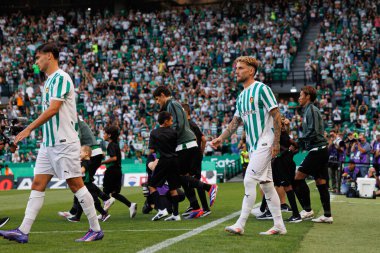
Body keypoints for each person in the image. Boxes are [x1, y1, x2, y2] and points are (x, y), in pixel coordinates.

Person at [0, 42, 103, 243]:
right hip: (49, 144)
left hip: (64, 142)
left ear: (50, 56)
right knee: (38, 183)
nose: (36, 62)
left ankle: (95, 228)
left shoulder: (61, 78)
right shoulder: (48, 82)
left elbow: (53, 109)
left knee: (76, 184)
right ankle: (23, 231)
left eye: (38, 57)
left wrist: (29, 128)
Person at [212, 56, 287, 236]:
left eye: (240, 68)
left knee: (248, 180)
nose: (236, 71)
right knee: (267, 186)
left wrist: (276, 142)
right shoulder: (241, 97)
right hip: (253, 146)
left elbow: (277, 116)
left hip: (266, 141)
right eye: (236, 68)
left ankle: (240, 224)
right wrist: (221, 138)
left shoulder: (262, 89)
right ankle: (279, 225)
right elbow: (235, 122)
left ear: (251, 70)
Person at [153, 86, 218, 219]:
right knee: (181, 177)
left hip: (185, 145)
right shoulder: (172, 105)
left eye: (157, 99)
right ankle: (196, 207)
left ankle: (208, 189)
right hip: (184, 145)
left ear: (162, 94)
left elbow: (179, 124)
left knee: (179, 177)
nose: (157, 102)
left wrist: (168, 139)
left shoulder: (173, 104)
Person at [58, 119, 115, 219]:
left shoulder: (73, 120)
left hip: (91, 153)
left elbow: (76, 138)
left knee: (82, 183)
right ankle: (77, 212)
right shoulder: (76, 120)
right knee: (83, 184)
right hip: (94, 153)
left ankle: (77, 212)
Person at [293, 85, 333, 224]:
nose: (299, 97)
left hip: (318, 150)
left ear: (308, 96)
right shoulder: (308, 110)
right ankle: (327, 215)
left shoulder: (312, 110)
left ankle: (307, 209)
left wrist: (300, 142)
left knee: (297, 178)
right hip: (319, 149)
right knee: (320, 182)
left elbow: (314, 131)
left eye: (301, 95)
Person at [147, 111, 182, 221]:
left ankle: (161, 210)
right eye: (171, 120)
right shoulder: (174, 132)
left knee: (151, 186)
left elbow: (151, 150)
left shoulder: (154, 133)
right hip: (174, 160)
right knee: (173, 188)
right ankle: (176, 215)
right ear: (166, 121)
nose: (172, 122)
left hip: (163, 161)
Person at [67, 146, 110, 222]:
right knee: (82, 200)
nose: (79, 154)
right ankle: (77, 217)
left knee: (92, 201)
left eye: (80, 152)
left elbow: (82, 171)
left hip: (87, 185)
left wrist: (73, 173)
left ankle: (104, 213)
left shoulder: (85, 162)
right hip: (88, 184)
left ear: (86, 153)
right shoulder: (88, 161)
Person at [102, 125, 137, 218]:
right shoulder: (115, 144)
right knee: (114, 193)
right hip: (117, 170)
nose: (103, 135)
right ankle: (130, 205)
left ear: (109, 135)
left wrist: (102, 162)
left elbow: (114, 158)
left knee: (105, 192)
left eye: (104, 133)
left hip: (112, 170)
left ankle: (104, 214)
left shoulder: (110, 145)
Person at [182, 103, 210, 218]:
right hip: (194, 156)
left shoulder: (189, 125)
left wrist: (199, 153)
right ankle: (193, 205)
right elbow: (203, 139)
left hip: (193, 158)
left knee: (195, 181)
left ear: (185, 112)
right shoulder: (191, 124)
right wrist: (201, 152)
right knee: (189, 181)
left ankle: (205, 208)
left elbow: (203, 139)